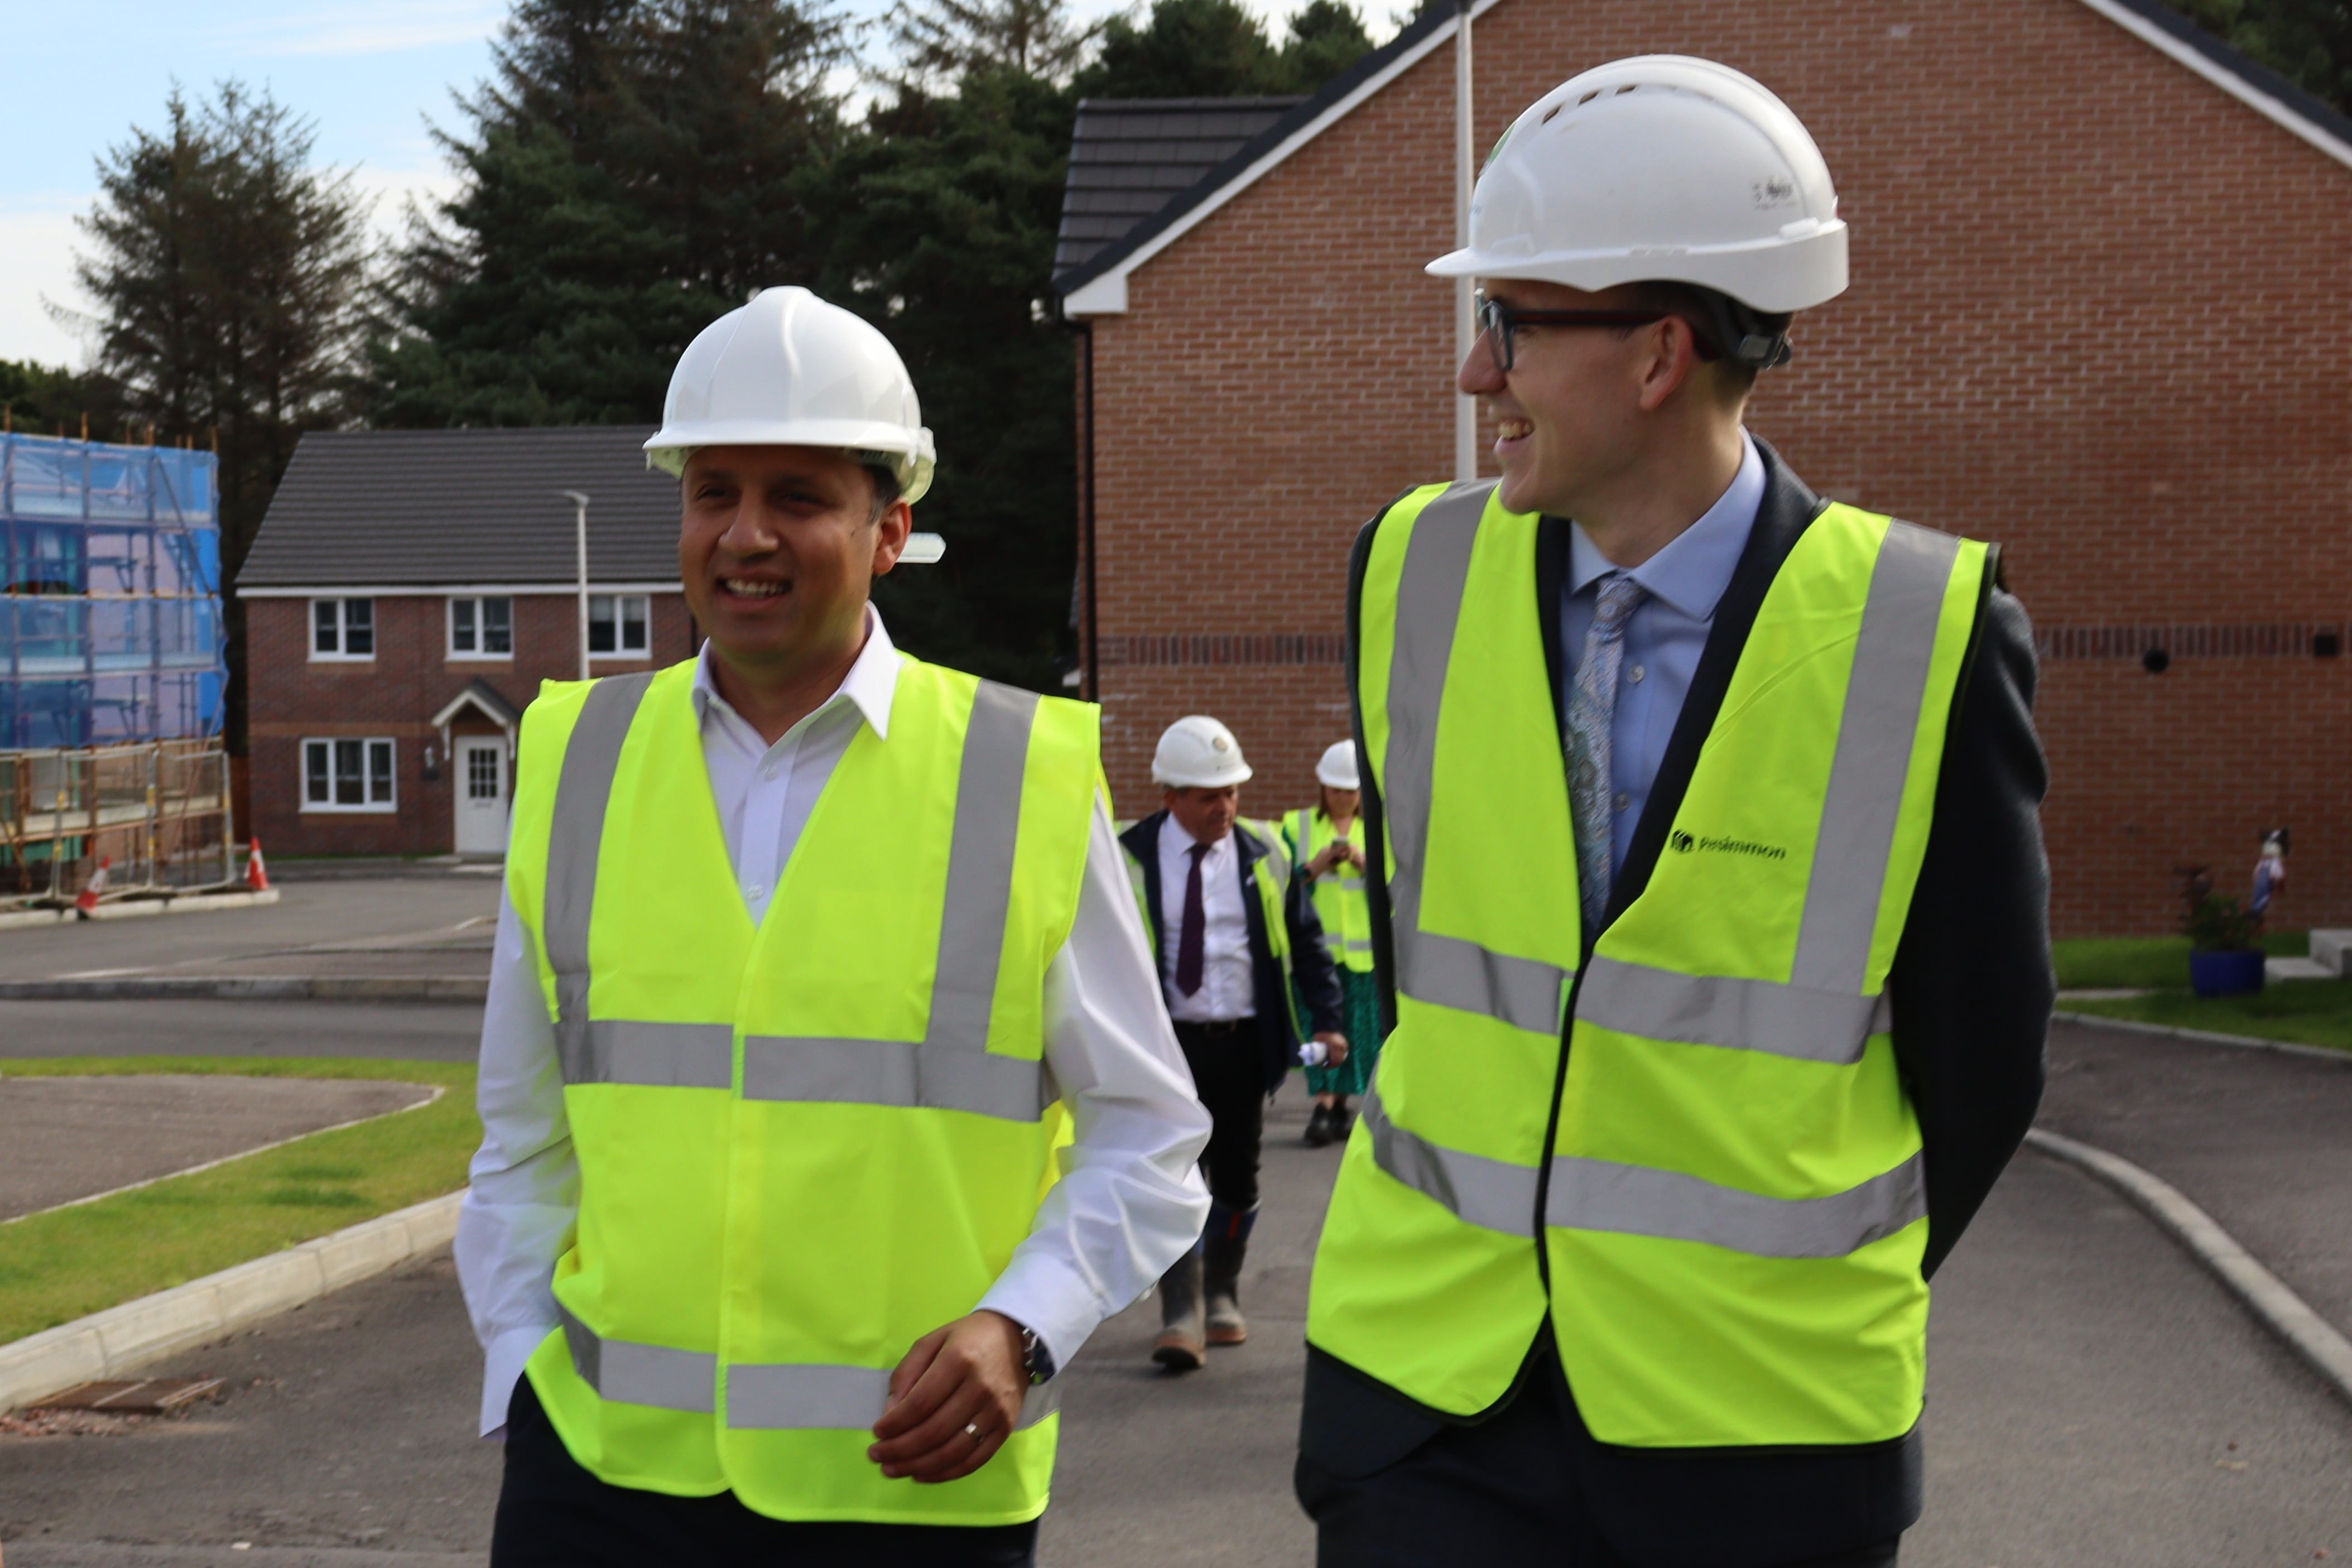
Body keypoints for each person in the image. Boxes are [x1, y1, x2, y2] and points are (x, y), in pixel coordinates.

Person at [1297, 58, 2051, 1568]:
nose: (1470, 374)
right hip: (1423, 1413)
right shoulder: (1404, 572)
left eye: (1505, 324)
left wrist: (1775, 1289)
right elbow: (1425, 938)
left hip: (1757, 1446)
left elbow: (1982, 1053)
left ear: (1656, 354)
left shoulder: (1918, 629)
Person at [456, 286, 1211, 1568]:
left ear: (888, 528)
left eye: (798, 495)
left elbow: (1148, 1134)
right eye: (713, 491)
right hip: (598, 1481)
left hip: (907, 1490)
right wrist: (523, 1366)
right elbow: (522, 1137)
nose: (745, 535)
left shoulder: (1018, 772)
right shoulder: (576, 754)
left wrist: (1017, 1328)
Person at [1117, 716, 1349, 1368]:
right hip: (1164, 1051)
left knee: (1238, 1176)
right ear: (1170, 796)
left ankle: (1222, 1291)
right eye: (1208, 796)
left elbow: (1307, 942)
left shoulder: (1265, 854)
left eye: (1232, 793)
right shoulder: (1126, 857)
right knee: (1171, 1177)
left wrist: (1328, 1018)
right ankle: (1180, 1308)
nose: (1225, 807)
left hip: (1244, 1044)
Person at [1282, 741, 1379, 1147]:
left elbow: (1398, 887)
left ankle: (1339, 1104)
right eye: (1335, 789)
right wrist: (1314, 867)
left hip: (1361, 958)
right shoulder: (1295, 825)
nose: (1342, 797)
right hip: (1314, 956)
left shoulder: (1377, 828)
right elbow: (1280, 885)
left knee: (1355, 1034)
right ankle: (1322, 1106)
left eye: (1349, 790)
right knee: (1316, 1030)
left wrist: (1364, 864)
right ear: (1322, 787)